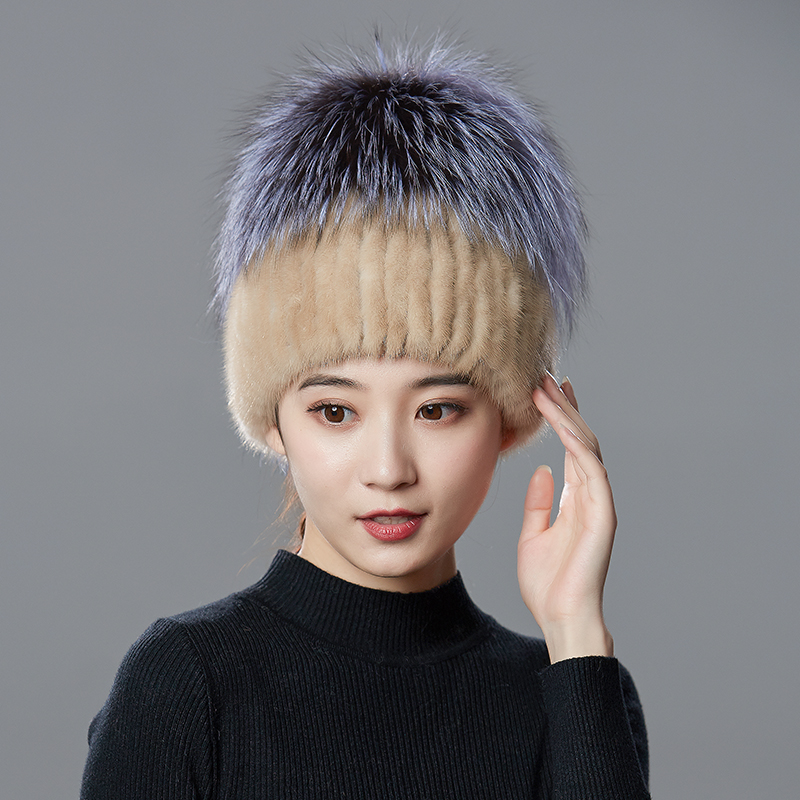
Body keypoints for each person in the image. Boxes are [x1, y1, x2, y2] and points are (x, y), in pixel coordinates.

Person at [81, 40, 650, 799]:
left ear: (515, 419)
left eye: (437, 409)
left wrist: (575, 630)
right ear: (272, 420)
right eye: (335, 410)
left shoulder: (574, 695)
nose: (388, 469)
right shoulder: (187, 685)